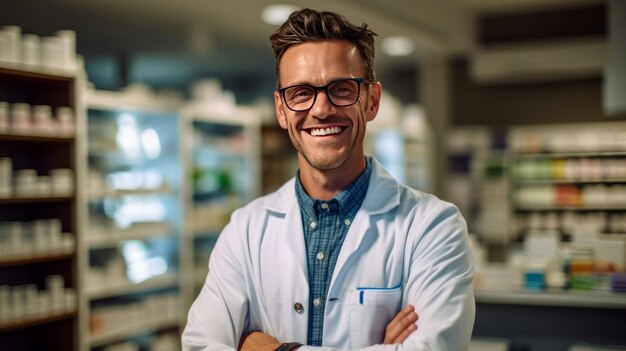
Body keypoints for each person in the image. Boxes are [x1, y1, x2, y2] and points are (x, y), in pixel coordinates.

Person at [182, 8, 475, 351]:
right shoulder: (245, 230)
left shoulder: (433, 227)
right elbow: (201, 345)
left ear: (372, 101)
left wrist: (276, 350)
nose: (321, 109)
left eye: (340, 89)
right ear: (281, 109)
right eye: (301, 93)